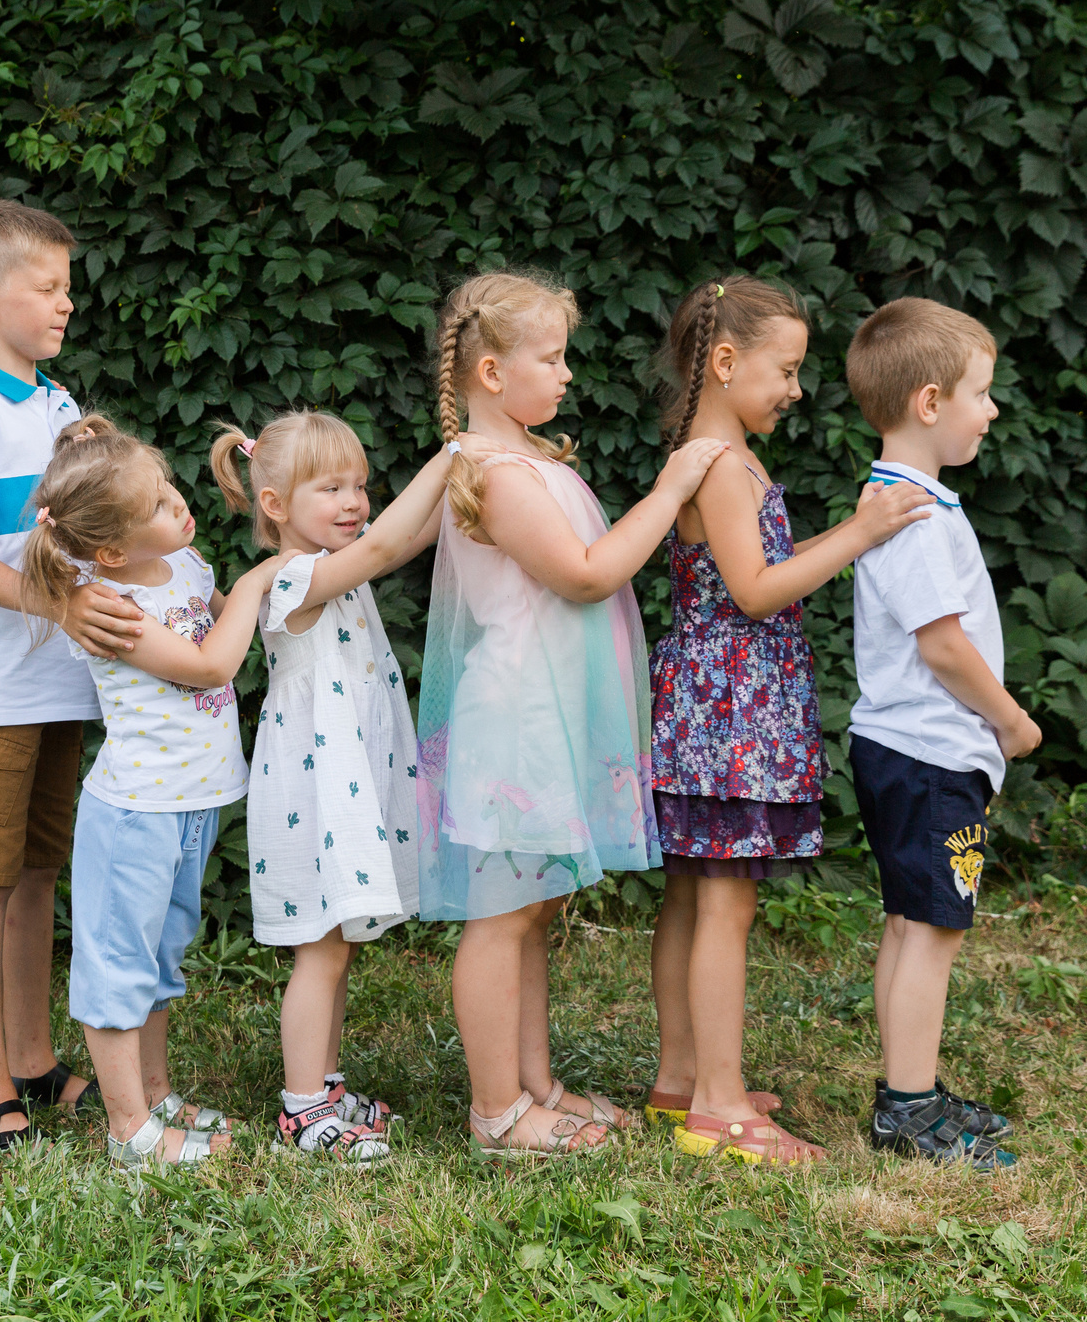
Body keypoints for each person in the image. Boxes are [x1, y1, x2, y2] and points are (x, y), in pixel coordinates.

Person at [417, 271, 727, 1158]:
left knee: (534, 906)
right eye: (548, 358)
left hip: (544, 709)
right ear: (488, 372)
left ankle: (535, 1084)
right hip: (515, 715)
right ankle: (495, 1111)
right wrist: (668, 495)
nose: (565, 374)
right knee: (499, 918)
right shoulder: (490, 471)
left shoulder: (530, 459)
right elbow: (588, 573)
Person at [646, 276, 933, 1166]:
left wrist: (851, 529)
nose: (798, 389)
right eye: (787, 369)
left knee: (696, 895)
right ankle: (721, 1107)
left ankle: (681, 1081)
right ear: (726, 363)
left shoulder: (721, 454)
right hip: (731, 711)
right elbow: (755, 590)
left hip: (712, 704)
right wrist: (857, 535)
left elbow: (764, 561)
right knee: (724, 905)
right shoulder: (723, 463)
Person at [0, 200, 144, 1156]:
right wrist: (58, 607)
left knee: (38, 875)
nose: (66, 303)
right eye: (46, 287)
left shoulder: (53, 404)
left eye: (66, 285)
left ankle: (34, 1056)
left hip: (62, 685)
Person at [19, 416, 286, 1168]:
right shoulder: (107, 606)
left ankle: (157, 1095)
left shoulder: (187, 565)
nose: (181, 504)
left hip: (190, 804)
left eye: (170, 488)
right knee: (119, 967)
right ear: (109, 549)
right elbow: (208, 665)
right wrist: (261, 580)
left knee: (162, 958)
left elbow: (211, 614)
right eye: (161, 505)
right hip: (136, 812)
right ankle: (128, 1127)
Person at [209, 411, 457, 1162]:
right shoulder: (292, 577)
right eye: (331, 488)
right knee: (319, 949)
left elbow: (406, 536)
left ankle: (323, 1082)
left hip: (344, 776)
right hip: (312, 788)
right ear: (276, 504)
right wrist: (454, 452)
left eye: (361, 484)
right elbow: (388, 542)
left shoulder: (333, 560)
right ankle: (301, 1110)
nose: (354, 501)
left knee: (338, 945)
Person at [842, 295, 1038, 1170]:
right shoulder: (913, 512)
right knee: (932, 932)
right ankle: (911, 1110)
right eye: (981, 392)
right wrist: (1009, 718)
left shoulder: (901, 499)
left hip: (904, 749)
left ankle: (904, 1094)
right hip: (929, 752)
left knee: (909, 923)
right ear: (930, 402)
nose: (991, 409)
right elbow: (944, 645)